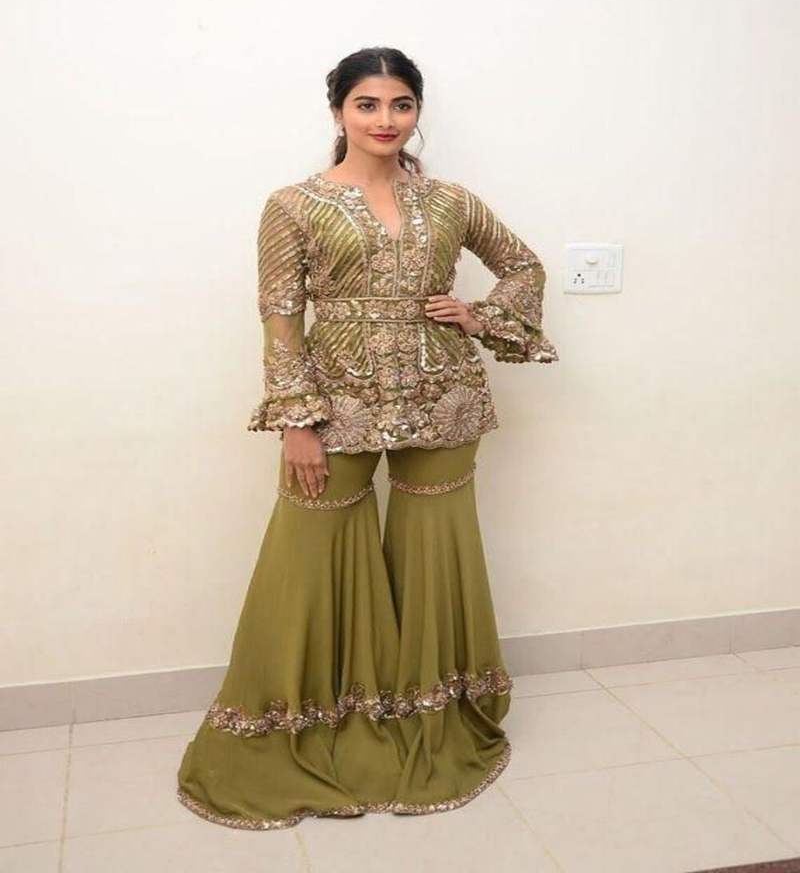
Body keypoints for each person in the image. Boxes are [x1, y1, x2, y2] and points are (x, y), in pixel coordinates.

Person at [176, 46, 559, 830]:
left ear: (417, 111)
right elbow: (280, 314)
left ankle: (426, 713)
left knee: (433, 547)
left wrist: (478, 315)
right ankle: (302, 726)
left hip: (442, 394)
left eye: (401, 104)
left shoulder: (450, 201)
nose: (386, 120)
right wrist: (296, 420)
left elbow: (523, 264)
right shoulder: (295, 204)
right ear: (339, 111)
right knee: (312, 551)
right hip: (337, 400)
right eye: (368, 104)